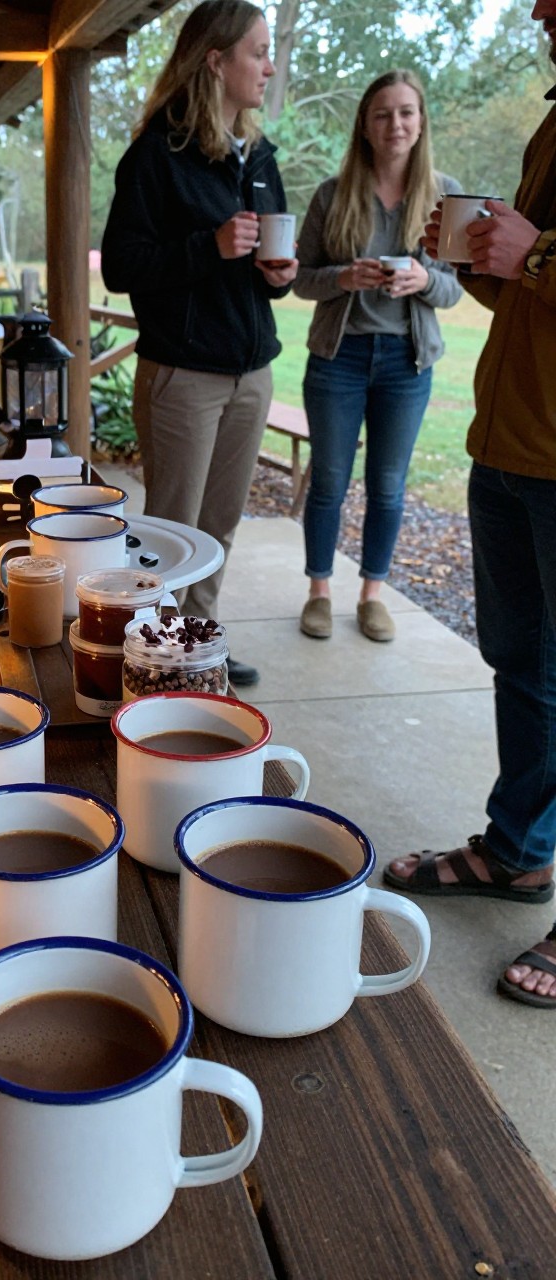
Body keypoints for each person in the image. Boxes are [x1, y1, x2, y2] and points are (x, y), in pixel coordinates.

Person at [385, 0, 556, 1008]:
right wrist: (480, 261)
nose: (537, 6)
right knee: (524, 664)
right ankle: (520, 850)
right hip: (510, 442)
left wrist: (532, 255)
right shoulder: (551, 120)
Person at [100, 0, 297, 687]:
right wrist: (207, 247)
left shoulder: (260, 157)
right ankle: (154, 653)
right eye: (258, 51)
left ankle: (198, 644)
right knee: (171, 531)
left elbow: (264, 269)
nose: (268, 65)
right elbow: (123, 266)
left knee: (219, 527)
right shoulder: (158, 153)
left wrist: (279, 276)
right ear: (215, 60)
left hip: (252, 374)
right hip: (184, 375)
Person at [292, 70, 462, 643]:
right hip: (339, 360)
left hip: (406, 365)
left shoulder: (444, 194)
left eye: (407, 112)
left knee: (388, 486)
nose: (396, 124)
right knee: (329, 484)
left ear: (421, 122)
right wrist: (344, 276)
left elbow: (455, 288)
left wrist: (422, 279)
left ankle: (372, 595)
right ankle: (319, 589)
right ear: (365, 125)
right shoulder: (331, 193)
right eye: (383, 114)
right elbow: (302, 282)